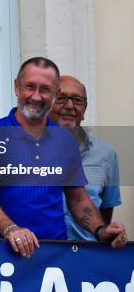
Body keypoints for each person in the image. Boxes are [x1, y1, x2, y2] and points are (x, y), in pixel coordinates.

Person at [0, 57, 127, 257]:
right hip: (2, 254)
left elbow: (78, 199)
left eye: (45, 89)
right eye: (30, 87)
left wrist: (100, 230)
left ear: (55, 94)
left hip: (53, 256)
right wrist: (11, 229)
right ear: (16, 87)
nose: (36, 96)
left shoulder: (64, 140)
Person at [50, 76, 122, 241]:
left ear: (85, 108)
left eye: (77, 100)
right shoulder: (29, 150)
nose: (69, 106)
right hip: (41, 255)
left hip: (85, 258)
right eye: (61, 99)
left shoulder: (106, 155)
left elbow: (105, 212)